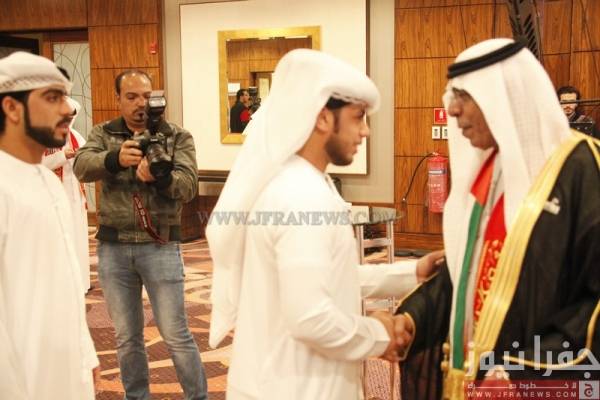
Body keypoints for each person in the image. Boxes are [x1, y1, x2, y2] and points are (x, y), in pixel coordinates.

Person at [207, 49, 443, 400]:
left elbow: (329, 278)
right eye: (358, 117)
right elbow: (311, 318)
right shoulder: (302, 195)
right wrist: (380, 335)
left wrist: (413, 272)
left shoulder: (300, 181)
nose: (365, 131)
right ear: (322, 118)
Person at [394, 39, 600, 399]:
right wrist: (411, 319)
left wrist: (523, 374)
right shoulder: (489, 168)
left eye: (464, 96)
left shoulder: (582, 169)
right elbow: (464, 276)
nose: (452, 109)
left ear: (503, 96)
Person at [73, 69, 207, 400]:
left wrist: (161, 179)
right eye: (131, 96)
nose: (140, 104)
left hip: (160, 245)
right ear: (118, 99)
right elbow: (81, 166)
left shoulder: (176, 136)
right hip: (113, 248)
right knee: (126, 337)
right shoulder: (104, 133)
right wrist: (114, 159)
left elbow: (189, 187)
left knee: (176, 334)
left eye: (146, 96)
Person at [0, 51, 99, 399]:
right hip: (20, 378)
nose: (67, 110)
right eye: (53, 98)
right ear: (12, 108)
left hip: (63, 365)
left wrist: (85, 352)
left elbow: (66, 280)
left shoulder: (47, 182)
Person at [42, 96, 91, 293]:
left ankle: (81, 283)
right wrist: (63, 156)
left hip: (75, 196)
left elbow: (89, 158)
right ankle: (62, 286)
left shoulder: (76, 136)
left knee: (78, 238)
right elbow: (38, 164)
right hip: (54, 196)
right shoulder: (44, 136)